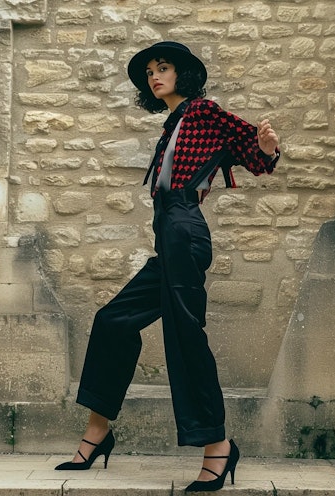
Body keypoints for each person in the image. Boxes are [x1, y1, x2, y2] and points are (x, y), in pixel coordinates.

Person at [55, 41, 280, 493]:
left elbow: (253, 154)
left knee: (183, 334)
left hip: (184, 230)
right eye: (150, 72)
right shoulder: (174, 122)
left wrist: (269, 147)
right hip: (169, 235)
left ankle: (217, 445)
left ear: (184, 75)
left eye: (164, 68)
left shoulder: (203, 112)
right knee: (113, 320)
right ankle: (99, 430)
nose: (155, 76)